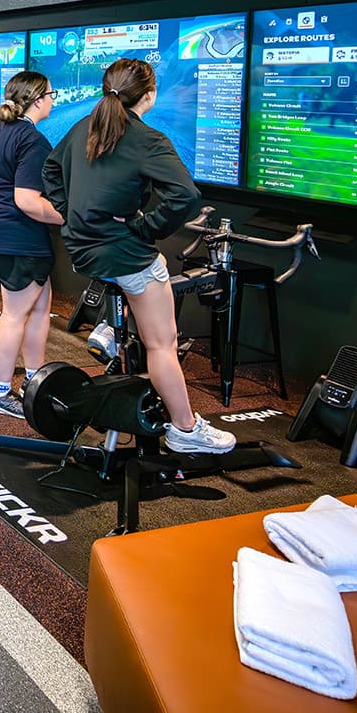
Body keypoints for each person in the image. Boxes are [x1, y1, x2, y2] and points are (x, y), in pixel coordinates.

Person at [42, 57, 235, 455]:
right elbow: (187, 195)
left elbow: (50, 169)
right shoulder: (148, 139)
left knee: (151, 272)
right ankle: (185, 429)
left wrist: (71, 214)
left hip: (81, 250)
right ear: (149, 95)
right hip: (121, 253)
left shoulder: (83, 128)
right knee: (162, 343)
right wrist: (146, 227)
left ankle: (111, 329)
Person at [0, 71, 64, 418]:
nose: (54, 100)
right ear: (38, 99)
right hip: (18, 233)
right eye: (51, 94)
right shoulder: (32, 140)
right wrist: (66, 217)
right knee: (14, 314)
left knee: (39, 309)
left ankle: (34, 382)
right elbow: (27, 200)